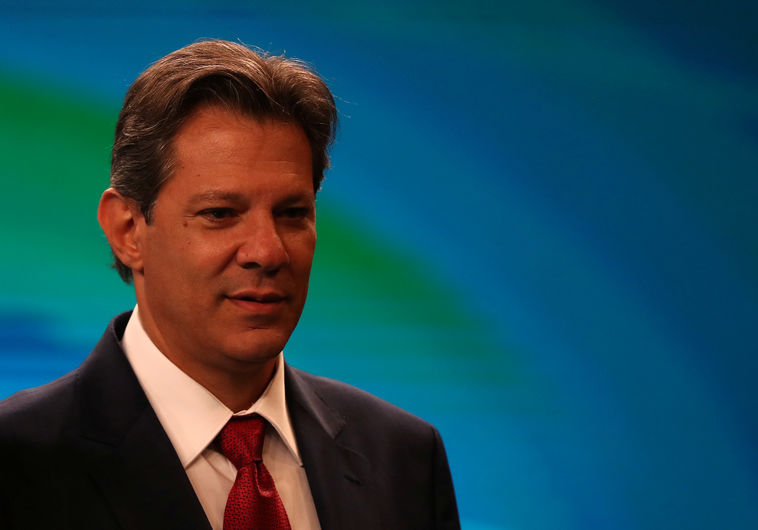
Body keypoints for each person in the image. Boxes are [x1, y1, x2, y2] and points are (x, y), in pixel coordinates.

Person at [0, 39, 459, 529]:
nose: (267, 252)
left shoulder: (403, 457)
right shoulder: (15, 463)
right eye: (220, 214)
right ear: (127, 231)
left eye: (292, 213)